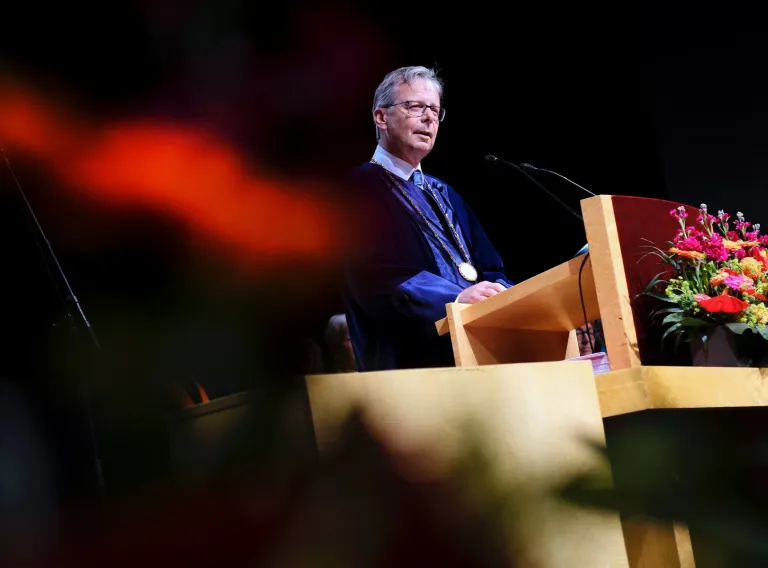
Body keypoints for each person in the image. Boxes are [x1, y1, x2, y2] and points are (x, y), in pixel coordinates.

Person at [341, 66, 514, 372]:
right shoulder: (356, 189)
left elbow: (491, 268)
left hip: (479, 355)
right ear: (381, 118)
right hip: (410, 368)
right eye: (415, 106)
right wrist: (457, 297)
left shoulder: (445, 193)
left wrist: (500, 293)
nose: (429, 118)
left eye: (435, 109)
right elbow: (374, 277)